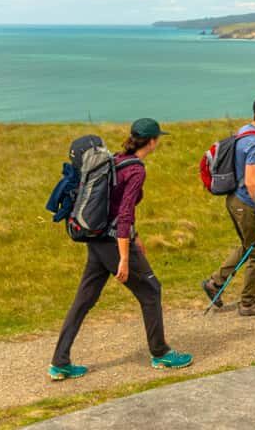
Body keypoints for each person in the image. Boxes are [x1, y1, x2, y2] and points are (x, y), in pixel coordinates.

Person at [49, 118, 193, 380]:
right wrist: (125, 258)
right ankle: (160, 353)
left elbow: (112, 207)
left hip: (97, 239)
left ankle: (59, 362)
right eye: (157, 138)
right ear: (151, 141)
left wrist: (134, 238)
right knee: (151, 291)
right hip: (114, 243)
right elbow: (124, 213)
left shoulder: (114, 159)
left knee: (84, 301)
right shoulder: (136, 170)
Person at [202, 95, 255, 316]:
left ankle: (215, 282)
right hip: (246, 202)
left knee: (248, 245)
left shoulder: (244, 131)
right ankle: (248, 302)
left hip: (233, 199)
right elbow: (250, 180)